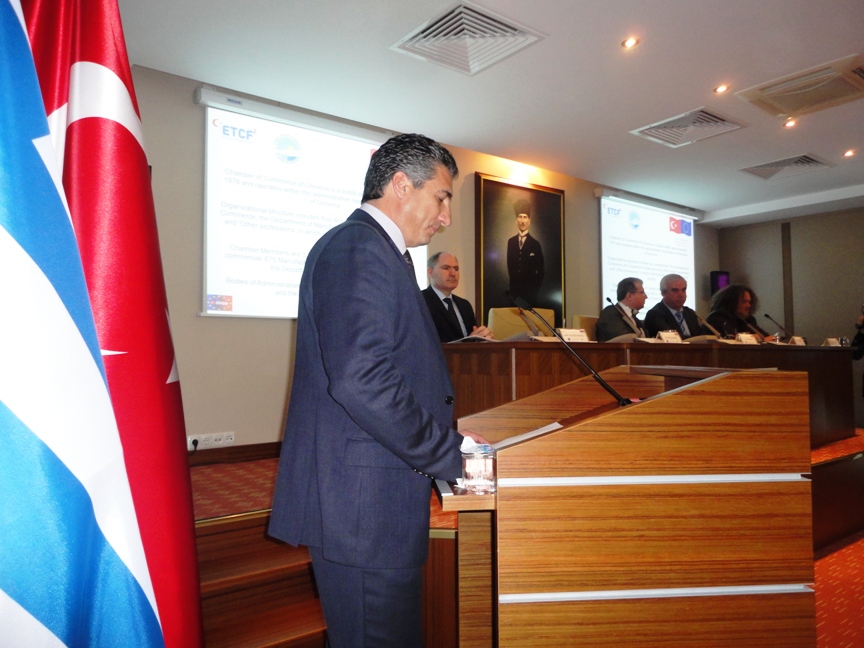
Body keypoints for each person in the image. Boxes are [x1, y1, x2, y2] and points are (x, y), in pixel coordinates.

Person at [268, 133, 487, 647]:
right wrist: (451, 455)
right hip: (362, 509)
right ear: (401, 184)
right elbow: (361, 377)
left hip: (374, 501)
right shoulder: (359, 246)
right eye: (442, 197)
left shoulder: (379, 252)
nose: (446, 217)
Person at [422, 251, 493, 342]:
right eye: (446, 268)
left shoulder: (464, 305)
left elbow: (472, 338)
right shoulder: (420, 301)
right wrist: (467, 341)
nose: (453, 274)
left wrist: (482, 336)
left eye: (456, 269)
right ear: (430, 272)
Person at [704, 283, 775, 341]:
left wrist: (762, 338)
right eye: (744, 302)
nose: (749, 305)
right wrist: (756, 338)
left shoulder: (748, 320)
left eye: (749, 302)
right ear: (732, 302)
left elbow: (766, 337)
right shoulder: (717, 318)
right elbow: (730, 339)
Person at [506, 198, 544, 304]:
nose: (522, 221)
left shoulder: (535, 244)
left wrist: (534, 290)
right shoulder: (511, 242)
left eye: (525, 217)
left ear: (529, 221)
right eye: (520, 217)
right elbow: (510, 267)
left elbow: (541, 271)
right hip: (514, 295)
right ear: (516, 220)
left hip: (530, 295)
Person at [643, 273, 703, 339]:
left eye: (683, 290)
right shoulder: (655, 314)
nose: (681, 295)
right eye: (675, 290)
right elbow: (673, 338)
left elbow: (700, 337)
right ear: (663, 293)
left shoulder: (690, 313)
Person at [596, 277, 648, 341]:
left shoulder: (633, 317)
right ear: (629, 296)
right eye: (642, 292)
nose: (646, 297)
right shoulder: (610, 313)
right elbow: (623, 339)